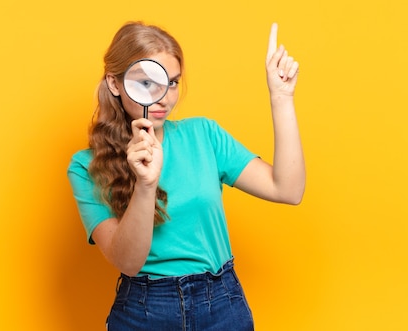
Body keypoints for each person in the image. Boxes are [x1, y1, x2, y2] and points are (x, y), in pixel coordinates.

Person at [67, 20, 305, 331]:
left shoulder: (204, 135)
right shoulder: (86, 166)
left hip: (220, 303)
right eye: (147, 82)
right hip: (143, 310)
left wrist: (281, 98)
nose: (163, 97)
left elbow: (287, 190)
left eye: (173, 82)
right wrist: (145, 184)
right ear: (115, 83)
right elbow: (128, 262)